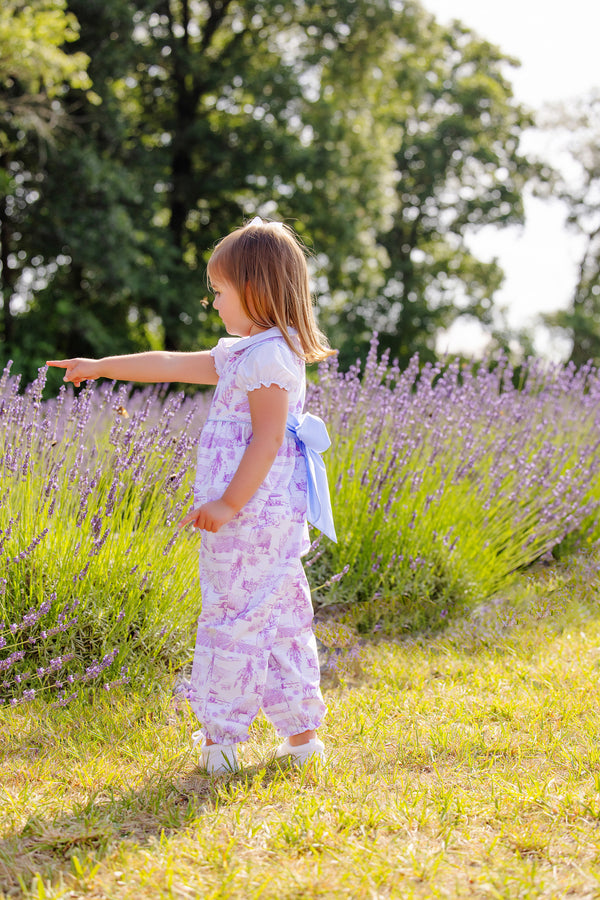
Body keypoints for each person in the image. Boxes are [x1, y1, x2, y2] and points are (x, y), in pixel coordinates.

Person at [47, 217, 337, 774]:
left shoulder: (269, 359)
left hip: (252, 516)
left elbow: (269, 439)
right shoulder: (251, 353)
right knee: (275, 615)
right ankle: (301, 738)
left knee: (234, 616)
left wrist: (228, 504)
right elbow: (171, 364)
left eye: (220, 291)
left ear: (255, 291)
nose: (213, 302)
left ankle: (222, 740)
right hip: (263, 514)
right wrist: (101, 366)